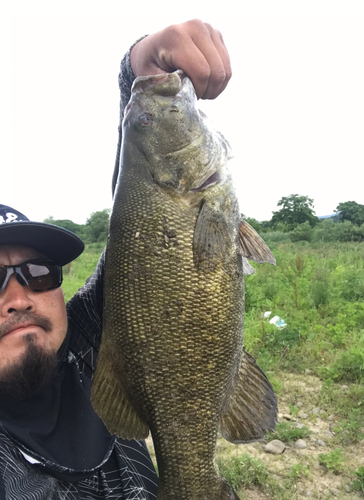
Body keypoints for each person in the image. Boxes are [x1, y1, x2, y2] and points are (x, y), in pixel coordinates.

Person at [0, 19, 231, 500]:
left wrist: (137, 75)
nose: (20, 298)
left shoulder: (84, 349)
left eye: (39, 272)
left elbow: (140, 226)